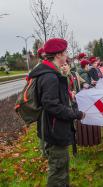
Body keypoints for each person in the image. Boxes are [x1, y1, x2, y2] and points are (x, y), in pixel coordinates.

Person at [28, 38, 85, 186]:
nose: (67, 55)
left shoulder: (51, 72)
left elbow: (55, 100)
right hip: (55, 130)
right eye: (65, 52)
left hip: (54, 128)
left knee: (62, 167)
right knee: (58, 170)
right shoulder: (50, 76)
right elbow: (52, 105)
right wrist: (76, 114)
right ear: (58, 54)